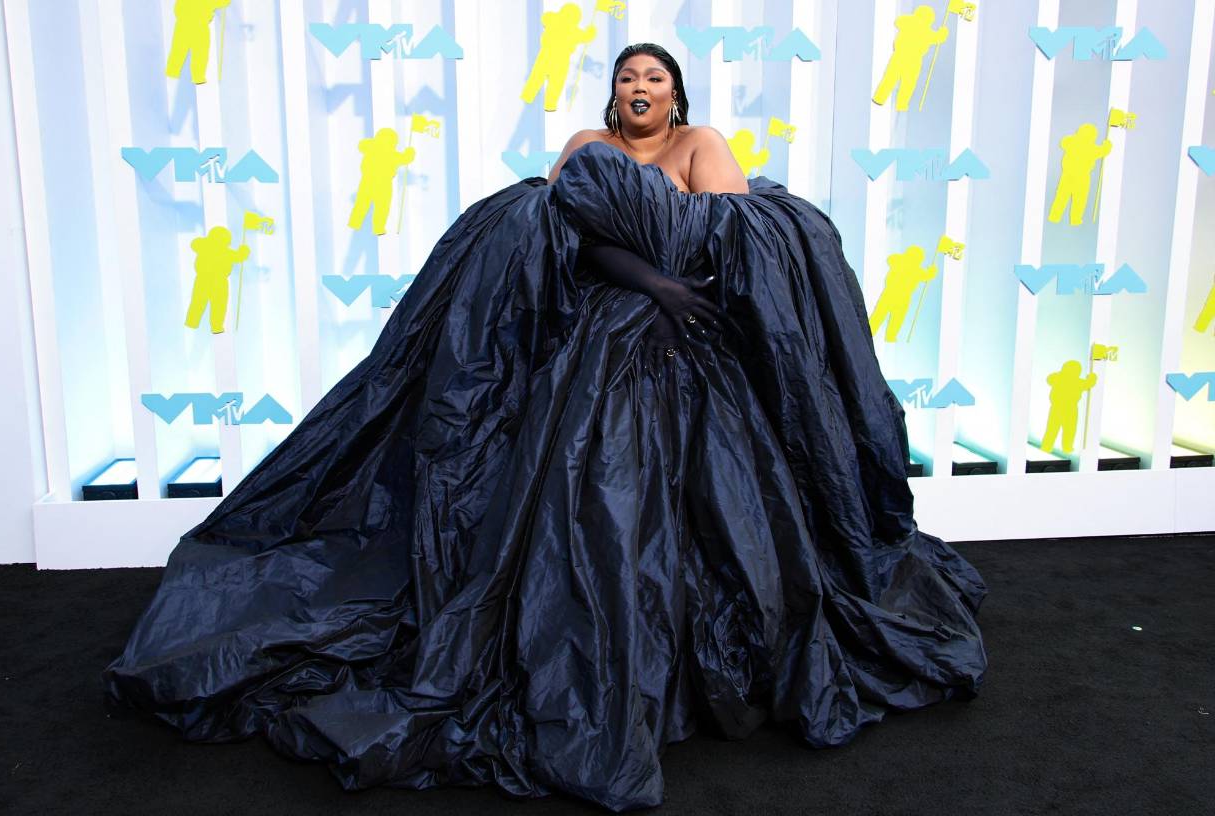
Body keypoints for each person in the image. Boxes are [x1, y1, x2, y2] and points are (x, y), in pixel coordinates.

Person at [104, 43, 988, 813]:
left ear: (677, 95)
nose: (641, 86)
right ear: (615, 95)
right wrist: (651, 284)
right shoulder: (586, 148)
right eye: (627, 76)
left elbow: (730, 240)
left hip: (696, 353)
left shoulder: (702, 147)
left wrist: (680, 286)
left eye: (656, 76)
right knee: (586, 494)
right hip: (602, 337)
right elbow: (558, 235)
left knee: (717, 505)